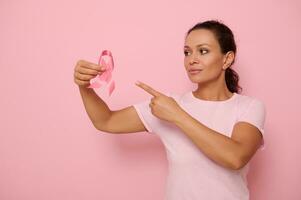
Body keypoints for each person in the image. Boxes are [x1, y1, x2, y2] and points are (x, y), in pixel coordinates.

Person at [73, 19, 266, 200]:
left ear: (227, 59)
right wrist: (85, 86)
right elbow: (106, 121)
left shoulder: (249, 107)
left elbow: (235, 157)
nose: (192, 60)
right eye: (187, 52)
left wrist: (177, 115)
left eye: (203, 51)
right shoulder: (166, 104)